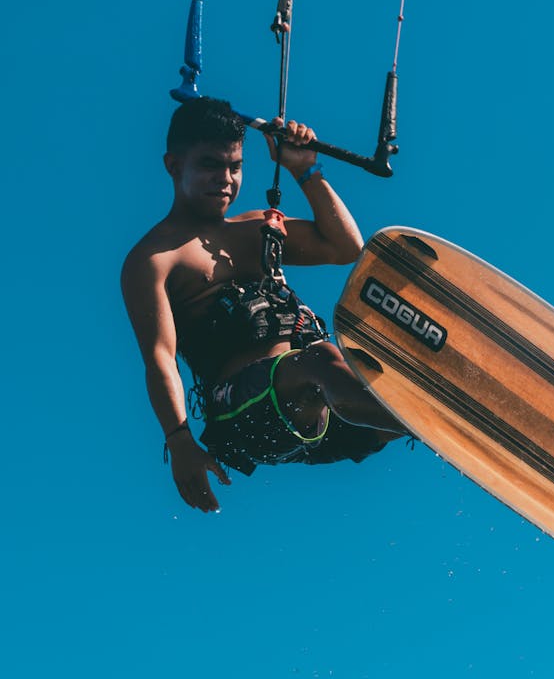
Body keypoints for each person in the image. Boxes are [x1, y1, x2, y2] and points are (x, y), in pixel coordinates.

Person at [121, 97, 406, 513]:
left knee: (380, 367)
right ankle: (424, 421)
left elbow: (346, 246)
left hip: (319, 406)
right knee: (322, 359)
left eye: (235, 167)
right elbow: (160, 357)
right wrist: (180, 442)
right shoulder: (153, 259)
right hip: (242, 413)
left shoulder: (256, 227)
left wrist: (304, 169)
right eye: (210, 165)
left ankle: (434, 414)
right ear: (173, 165)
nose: (225, 179)